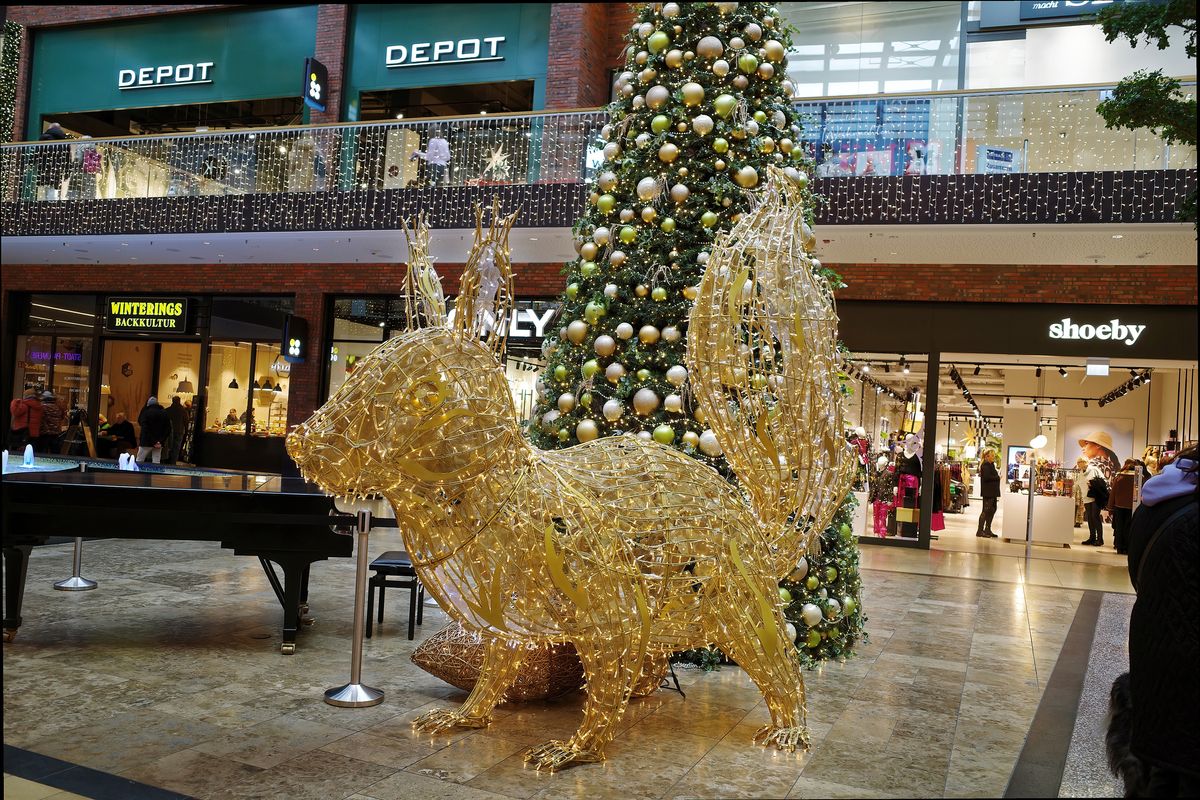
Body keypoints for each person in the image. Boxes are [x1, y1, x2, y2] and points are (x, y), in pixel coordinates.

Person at [1107, 444, 1198, 796]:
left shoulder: (1157, 501)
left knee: (1156, 774)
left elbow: (1139, 577)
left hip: (1153, 665)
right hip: (1188, 691)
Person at [1107, 459, 1139, 555]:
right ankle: (1126, 547)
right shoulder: (1138, 477)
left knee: (1119, 526)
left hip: (1119, 505)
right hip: (1132, 506)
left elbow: (1113, 492)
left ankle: (1119, 546)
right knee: (1128, 527)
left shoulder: (1119, 476)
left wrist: (1110, 507)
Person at [136, 396, 172, 464]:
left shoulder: (146, 413)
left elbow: (145, 428)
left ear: (148, 404)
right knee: (156, 460)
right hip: (159, 443)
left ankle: (137, 474)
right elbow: (168, 429)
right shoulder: (164, 413)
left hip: (146, 442)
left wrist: (153, 441)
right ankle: (155, 474)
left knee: (140, 459)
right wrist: (160, 441)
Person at [976, 450, 1001, 538]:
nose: (993, 457)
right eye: (992, 455)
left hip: (992, 492)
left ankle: (987, 529)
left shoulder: (990, 465)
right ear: (987, 456)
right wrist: (997, 477)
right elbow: (987, 477)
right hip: (988, 492)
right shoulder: (985, 465)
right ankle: (979, 530)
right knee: (986, 511)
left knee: (992, 509)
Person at [165, 396, 188, 464]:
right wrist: (186, 432)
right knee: (176, 447)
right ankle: (173, 461)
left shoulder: (167, 410)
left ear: (172, 401)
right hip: (179, 431)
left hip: (169, 431)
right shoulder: (183, 411)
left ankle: (167, 460)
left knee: (169, 446)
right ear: (179, 401)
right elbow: (186, 422)